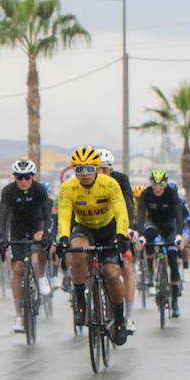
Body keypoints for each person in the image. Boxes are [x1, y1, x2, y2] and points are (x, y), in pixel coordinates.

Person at [56, 146, 131, 344]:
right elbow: (64, 218)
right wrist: (63, 239)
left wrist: (121, 235)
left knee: (112, 273)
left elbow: (122, 213)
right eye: (79, 170)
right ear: (74, 171)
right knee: (77, 250)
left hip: (109, 229)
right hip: (84, 228)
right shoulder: (68, 188)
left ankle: (120, 319)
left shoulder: (110, 184)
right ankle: (80, 301)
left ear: (97, 168)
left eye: (89, 168)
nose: (85, 174)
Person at [0, 158, 52, 332]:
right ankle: (19, 316)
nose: (23, 181)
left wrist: (47, 235)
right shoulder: (8, 191)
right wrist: (1, 237)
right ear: (14, 177)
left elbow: (47, 215)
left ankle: (42, 276)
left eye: (27, 177)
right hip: (17, 230)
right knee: (18, 269)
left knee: (41, 239)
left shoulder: (40, 189)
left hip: (37, 225)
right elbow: (3, 216)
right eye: (19, 177)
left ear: (32, 177)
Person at [135, 169, 186, 317]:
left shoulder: (171, 193)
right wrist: (141, 235)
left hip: (169, 225)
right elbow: (140, 215)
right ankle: (150, 272)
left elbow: (178, 214)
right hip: (153, 224)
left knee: (173, 259)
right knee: (148, 237)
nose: (157, 188)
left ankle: (175, 302)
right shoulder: (146, 194)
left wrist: (179, 235)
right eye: (154, 184)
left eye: (161, 184)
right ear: (151, 184)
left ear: (165, 184)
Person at [99, 149, 138, 334]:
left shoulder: (121, 180)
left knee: (127, 267)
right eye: (96, 170)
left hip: (119, 226)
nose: (100, 174)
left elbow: (128, 204)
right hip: (97, 227)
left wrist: (127, 228)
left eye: (104, 170)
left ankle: (128, 318)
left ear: (111, 169)